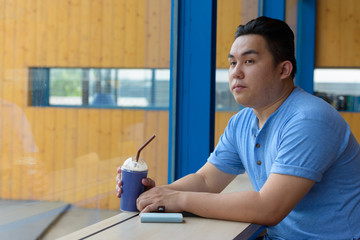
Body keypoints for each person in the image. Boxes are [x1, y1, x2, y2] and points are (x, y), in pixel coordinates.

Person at [116, 16, 360, 239]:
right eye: (232, 63)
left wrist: (178, 198)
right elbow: (206, 180)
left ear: (284, 69)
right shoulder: (242, 122)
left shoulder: (309, 120)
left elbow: (268, 208)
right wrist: (154, 194)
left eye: (249, 61)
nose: (236, 73)